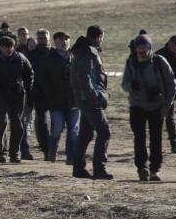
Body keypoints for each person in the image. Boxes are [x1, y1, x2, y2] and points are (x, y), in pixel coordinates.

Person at [121, 34, 176, 181]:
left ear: (149, 47)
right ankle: (141, 168)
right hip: (137, 106)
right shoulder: (131, 62)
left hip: (157, 106)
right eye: (138, 47)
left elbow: (172, 84)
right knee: (139, 138)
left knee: (156, 139)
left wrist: (167, 105)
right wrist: (131, 86)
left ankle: (154, 170)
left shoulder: (159, 61)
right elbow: (124, 84)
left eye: (144, 47)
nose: (141, 50)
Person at [0, 35, 34, 163]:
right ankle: (2, 152)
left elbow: (29, 74)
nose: (8, 49)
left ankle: (14, 153)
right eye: (5, 47)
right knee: (2, 122)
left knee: (17, 125)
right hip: (0, 95)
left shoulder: (20, 58)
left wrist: (26, 89)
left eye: (10, 46)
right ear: (0, 47)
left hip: (17, 95)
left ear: (14, 46)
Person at [71, 25, 112, 180]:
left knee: (86, 133)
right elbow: (85, 77)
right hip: (89, 99)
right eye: (101, 38)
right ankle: (99, 169)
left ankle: (78, 168)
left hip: (83, 98)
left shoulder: (81, 50)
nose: (102, 40)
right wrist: (94, 96)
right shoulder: (88, 52)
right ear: (98, 37)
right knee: (104, 130)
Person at [39, 31, 79, 163]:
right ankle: (53, 150)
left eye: (67, 39)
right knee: (56, 129)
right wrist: (50, 92)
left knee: (73, 131)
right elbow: (41, 79)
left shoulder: (75, 57)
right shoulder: (48, 58)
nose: (64, 42)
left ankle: (71, 157)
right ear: (55, 42)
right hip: (56, 102)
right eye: (61, 39)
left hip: (74, 101)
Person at [27, 29, 52, 156]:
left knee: (57, 123)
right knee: (42, 122)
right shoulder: (32, 55)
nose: (42, 40)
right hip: (39, 94)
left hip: (56, 94)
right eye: (40, 38)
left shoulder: (54, 54)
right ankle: (46, 149)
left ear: (49, 39)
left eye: (44, 38)